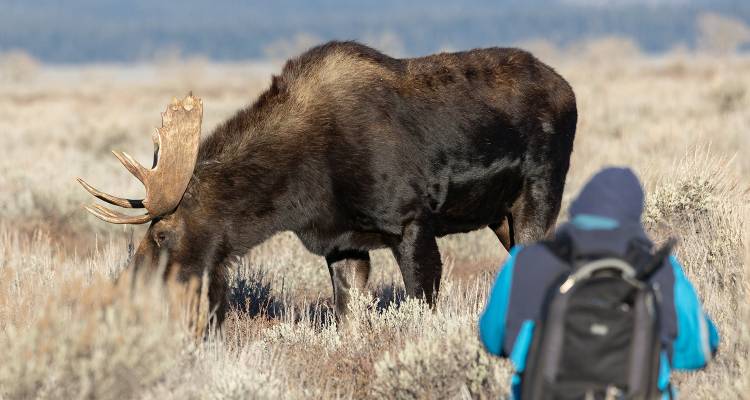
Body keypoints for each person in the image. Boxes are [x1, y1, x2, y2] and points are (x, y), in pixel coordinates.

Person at [479, 167, 719, 399]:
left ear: (578, 209)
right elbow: (702, 350)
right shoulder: (660, 271)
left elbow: (491, 338)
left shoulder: (526, 262)